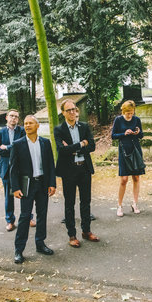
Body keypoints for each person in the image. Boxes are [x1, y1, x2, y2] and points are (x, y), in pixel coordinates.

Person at [9, 115, 57, 264]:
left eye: (31, 123)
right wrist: (15, 188)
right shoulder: (18, 144)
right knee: (25, 217)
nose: (27, 125)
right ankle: (19, 249)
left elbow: (50, 165)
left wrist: (52, 183)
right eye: (26, 123)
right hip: (27, 185)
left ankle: (40, 243)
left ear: (37, 126)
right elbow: (13, 168)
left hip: (42, 183)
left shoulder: (45, 142)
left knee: (42, 215)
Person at [55, 100, 99, 248]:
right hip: (69, 171)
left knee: (86, 201)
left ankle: (86, 231)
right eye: (69, 110)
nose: (72, 112)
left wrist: (73, 148)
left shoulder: (84, 127)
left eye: (74, 109)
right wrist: (81, 144)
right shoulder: (59, 130)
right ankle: (72, 235)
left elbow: (92, 146)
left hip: (84, 168)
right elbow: (62, 150)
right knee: (70, 203)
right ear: (63, 112)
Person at [0, 109, 31, 232]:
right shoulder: (0, 133)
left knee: (25, 194)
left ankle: (28, 217)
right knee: (8, 197)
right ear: (6, 117)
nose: (14, 118)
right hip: (6, 168)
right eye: (11, 116)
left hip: (21, 168)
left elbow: (24, 147)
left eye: (16, 116)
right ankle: (10, 221)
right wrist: (14, 148)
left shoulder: (22, 131)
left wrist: (8, 147)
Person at [112, 100, 145, 217]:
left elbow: (141, 135)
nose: (130, 115)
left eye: (131, 113)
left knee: (136, 177)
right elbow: (113, 135)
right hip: (124, 152)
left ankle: (135, 203)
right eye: (127, 113)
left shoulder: (137, 120)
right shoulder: (118, 120)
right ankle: (119, 205)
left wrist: (138, 132)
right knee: (124, 179)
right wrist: (124, 133)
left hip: (135, 150)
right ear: (123, 111)